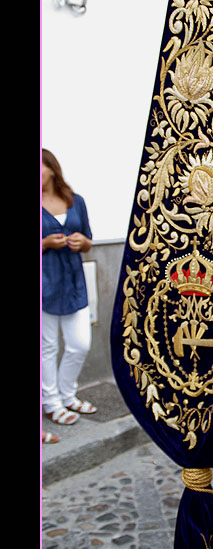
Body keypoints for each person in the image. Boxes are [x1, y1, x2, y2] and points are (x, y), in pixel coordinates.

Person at [42, 149, 97, 426]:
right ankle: (51, 403)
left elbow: (88, 238)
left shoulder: (76, 201)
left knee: (79, 344)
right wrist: (44, 244)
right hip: (45, 283)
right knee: (47, 347)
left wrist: (83, 243)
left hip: (74, 281)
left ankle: (67, 395)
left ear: (51, 168)